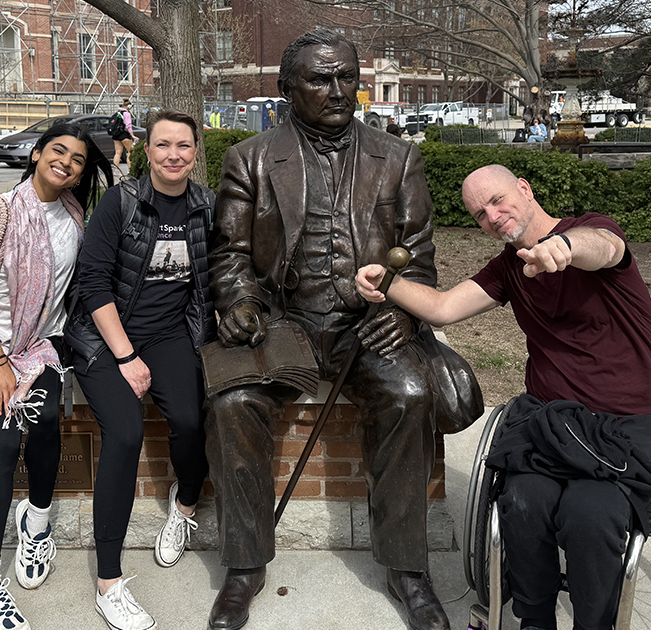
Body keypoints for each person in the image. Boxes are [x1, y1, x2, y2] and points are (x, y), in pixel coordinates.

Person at [356, 164, 651, 630]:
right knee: (523, 502)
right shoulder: (510, 266)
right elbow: (444, 308)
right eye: (479, 214)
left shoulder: (591, 232)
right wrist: (386, 282)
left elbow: (605, 249)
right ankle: (534, 620)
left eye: (498, 200)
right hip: (553, 425)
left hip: (625, 425)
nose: (492, 216)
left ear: (524, 189)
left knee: (590, 515)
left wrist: (563, 249)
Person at [207, 27, 449, 630]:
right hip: (283, 320)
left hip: (365, 321)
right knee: (233, 401)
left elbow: (416, 255)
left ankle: (405, 566)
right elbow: (230, 253)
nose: (338, 89)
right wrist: (238, 299)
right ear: (289, 88)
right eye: (321, 78)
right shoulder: (251, 158)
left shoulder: (398, 157)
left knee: (411, 392)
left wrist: (397, 309)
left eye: (347, 76)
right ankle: (244, 565)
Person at [64, 109, 216, 630]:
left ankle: (186, 504)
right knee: (125, 436)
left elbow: (222, 272)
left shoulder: (205, 206)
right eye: (163, 145)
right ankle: (109, 582)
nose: (174, 155)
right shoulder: (121, 201)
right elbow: (93, 282)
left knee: (195, 424)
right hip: (106, 335)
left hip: (171, 334)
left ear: (196, 152)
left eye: (184, 146)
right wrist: (126, 357)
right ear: (147, 151)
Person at [0, 123, 112, 630]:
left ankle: (36, 519)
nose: (66, 162)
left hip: (41, 347)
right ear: (38, 153)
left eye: (78, 160)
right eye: (58, 151)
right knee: (3, 445)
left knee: (46, 422)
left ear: (82, 174)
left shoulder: (73, 217)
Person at [112, 99, 138, 169]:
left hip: (116, 135)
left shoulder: (117, 113)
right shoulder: (127, 114)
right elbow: (128, 125)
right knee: (131, 151)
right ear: (128, 106)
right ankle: (130, 169)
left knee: (118, 152)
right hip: (124, 135)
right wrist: (132, 135)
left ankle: (115, 169)